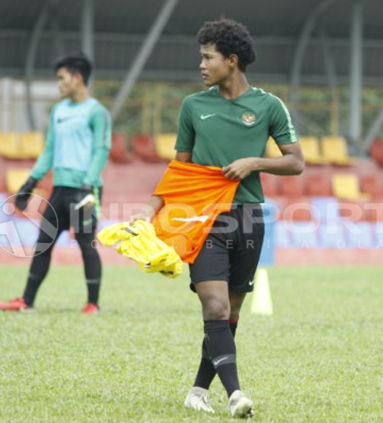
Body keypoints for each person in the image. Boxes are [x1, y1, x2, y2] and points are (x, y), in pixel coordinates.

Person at [138, 19, 304, 418]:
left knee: (229, 312)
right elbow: (179, 170)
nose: (201, 64)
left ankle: (198, 389)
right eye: (201, 57)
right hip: (203, 219)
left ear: (232, 61)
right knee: (212, 306)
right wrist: (151, 209)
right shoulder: (194, 106)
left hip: (248, 219)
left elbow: (295, 162)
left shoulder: (268, 105)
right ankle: (235, 394)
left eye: (208, 57)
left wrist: (254, 163)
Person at [0, 53, 111, 314]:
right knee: (43, 242)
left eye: (61, 78)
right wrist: (30, 182)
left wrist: (89, 185)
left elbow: (102, 149)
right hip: (59, 190)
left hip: (84, 191)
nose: (58, 84)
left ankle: (93, 304)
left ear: (78, 78)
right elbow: (49, 150)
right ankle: (26, 301)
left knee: (85, 244)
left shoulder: (97, 112)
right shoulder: (59, 110)